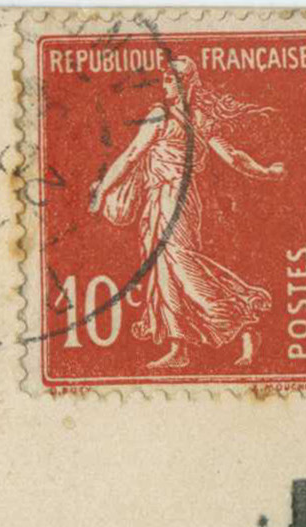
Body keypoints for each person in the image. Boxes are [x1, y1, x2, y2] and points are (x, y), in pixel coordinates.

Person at [86, 55, 286, 370]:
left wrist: (265, 172)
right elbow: (133, 155)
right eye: (165, 77)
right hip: (160, 200)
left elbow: (134, 155)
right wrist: (266, 171)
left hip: (175, 200)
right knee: (167, 270)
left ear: (186, 83)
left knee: (178, 265)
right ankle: (181, 347)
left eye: (171, 78)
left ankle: (242, 317)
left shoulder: (173, 117)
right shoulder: (176, 117)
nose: (165, 83)